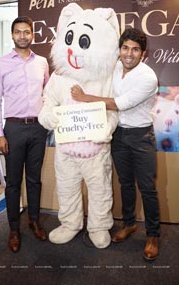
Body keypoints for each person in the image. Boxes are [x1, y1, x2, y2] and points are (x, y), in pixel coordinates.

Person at [71, 28, 160, 261]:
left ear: (143, 53)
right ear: (119, 50)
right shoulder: (117, 66)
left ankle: (153, 235)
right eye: (125, 47)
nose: (129, 53)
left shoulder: (148, 77)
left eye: (135, 49)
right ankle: (129, 224)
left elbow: (120, 104)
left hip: (141, 137)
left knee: (147, 188)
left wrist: (85, 98)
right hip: (119, 135)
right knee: (125, 184)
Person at [0, 16, 49, 253]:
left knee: (34, 179)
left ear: (32, 35)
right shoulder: (1, 64)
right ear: (12, 35)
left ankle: (34, 220)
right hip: (12, 129)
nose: (22, 36)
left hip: (38, 128)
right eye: (18, 32)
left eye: (27, 32)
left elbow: (47, 93)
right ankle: (14, 228)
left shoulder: (43, 62)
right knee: (14, 183)